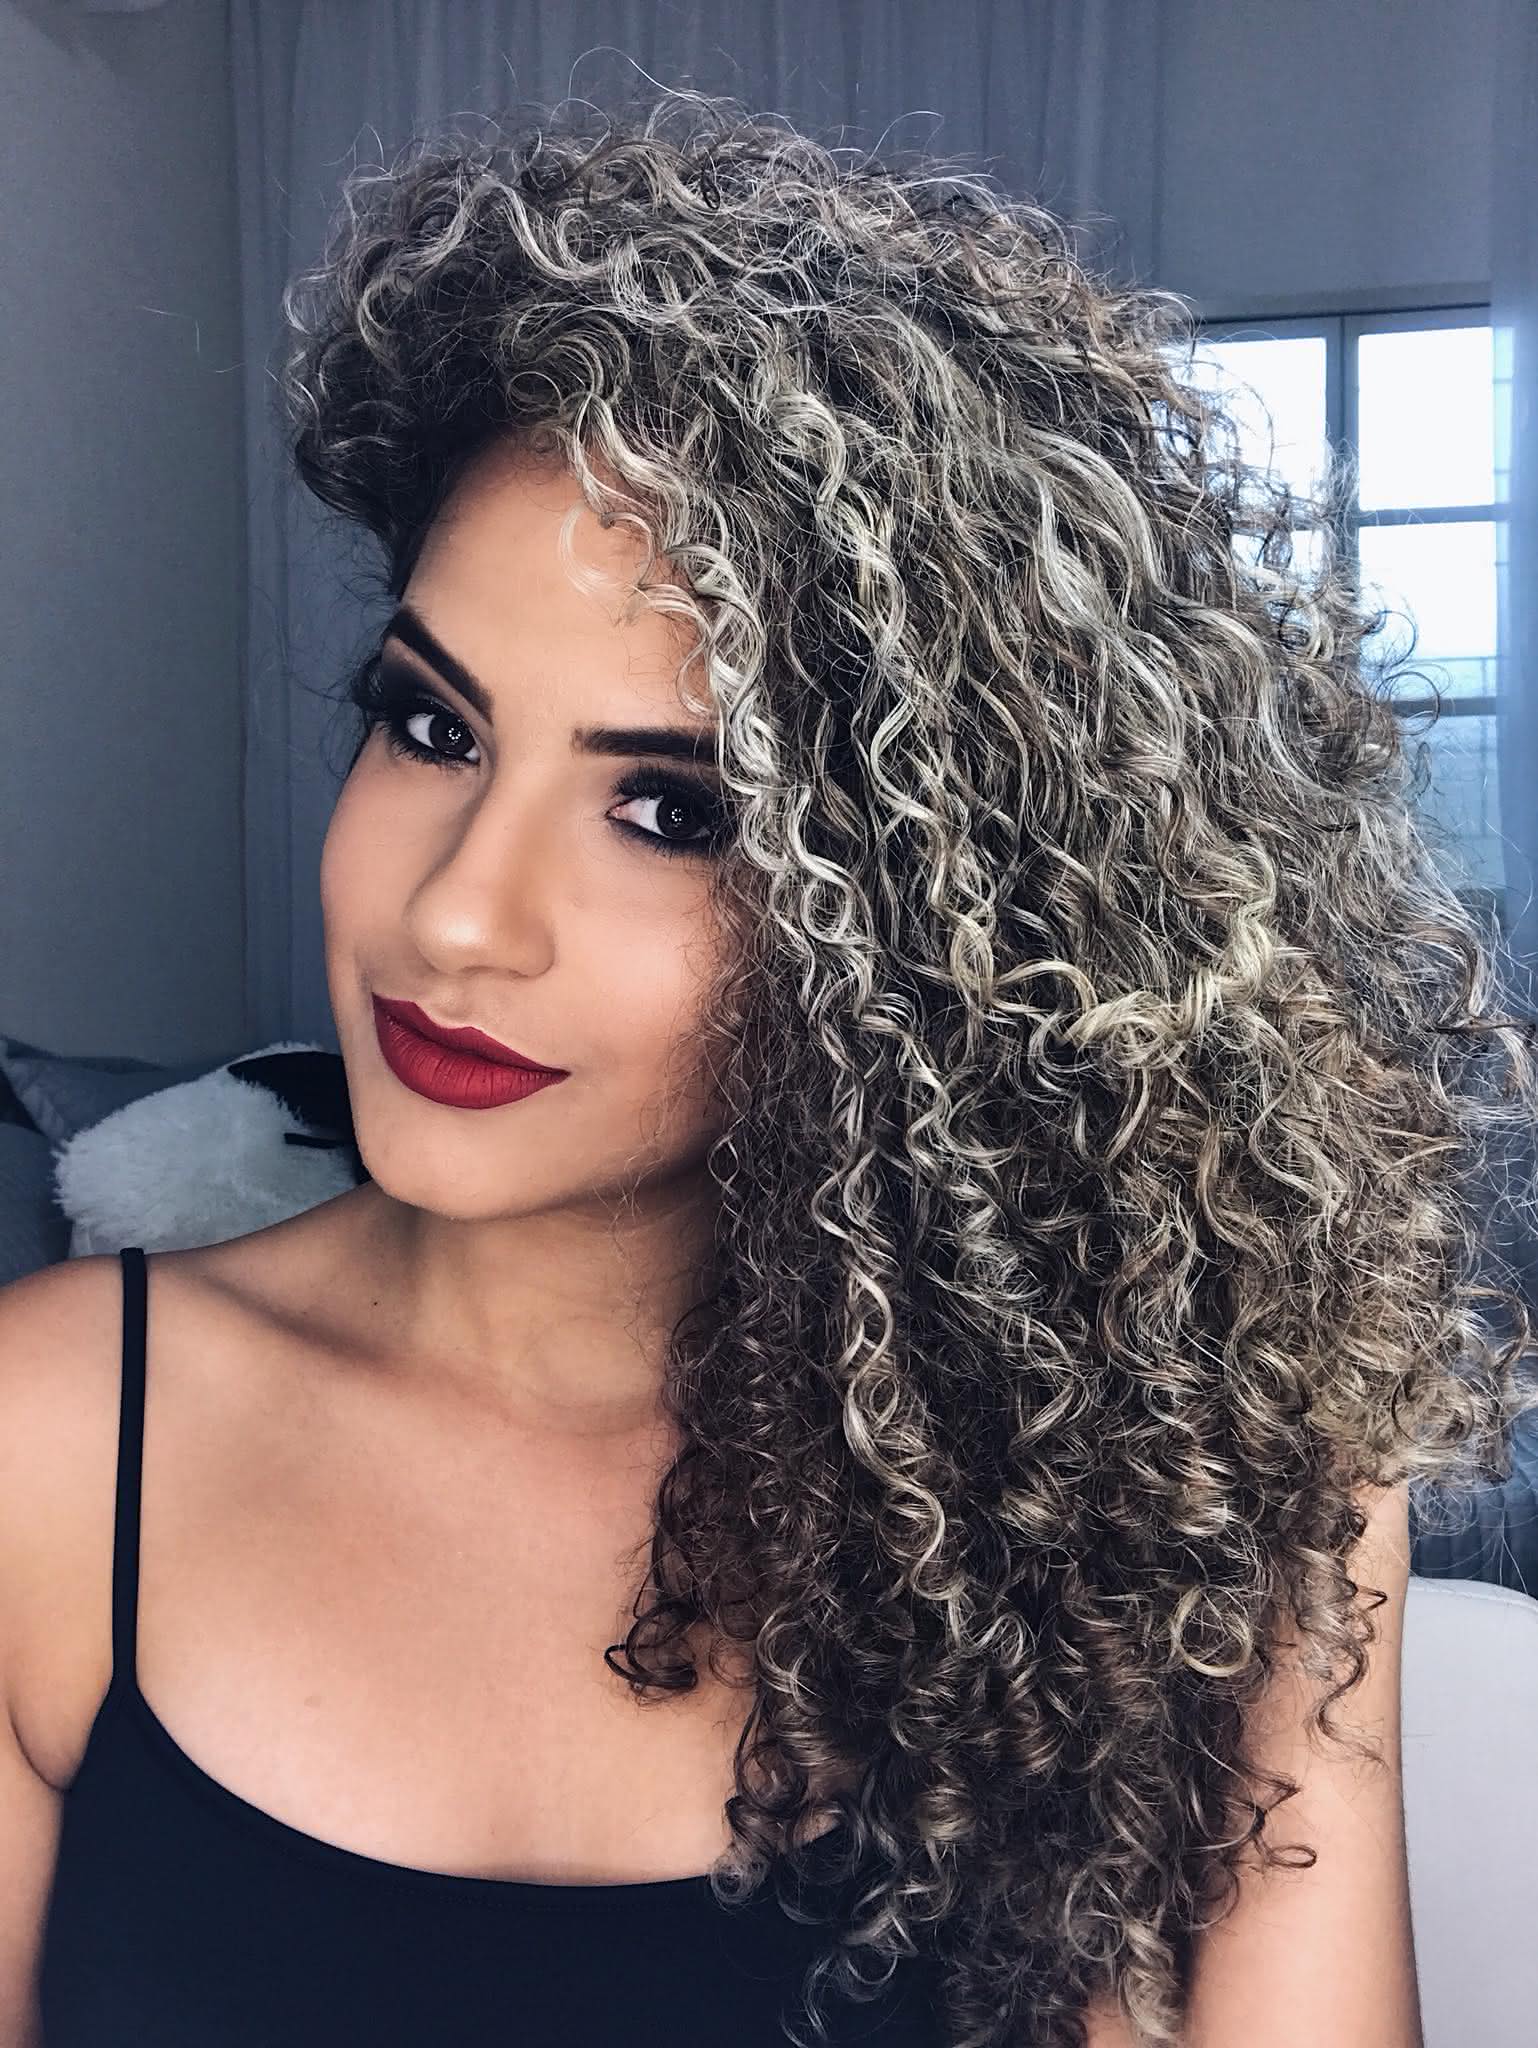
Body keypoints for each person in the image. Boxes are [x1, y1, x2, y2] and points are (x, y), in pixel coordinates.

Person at [4, 83, 1534, 2048]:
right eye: (432, 725)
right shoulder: (52, 1442)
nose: (458, 916)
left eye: (678, 813)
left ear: (948, 926)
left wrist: (1299, 1546)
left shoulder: (1147, 1529)